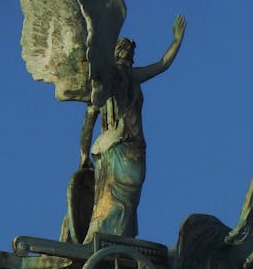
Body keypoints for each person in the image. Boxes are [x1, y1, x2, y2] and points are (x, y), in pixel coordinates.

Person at [76, 16, 186, 241]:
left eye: (130, 54)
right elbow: (89, 119)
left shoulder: (132, 77)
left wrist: (176, 40)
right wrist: (84, 153)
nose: (128, 56)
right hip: (115, 148)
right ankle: (108, 236)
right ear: (115, 54)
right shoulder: (106, 82)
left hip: (133, 149)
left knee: (127, 198)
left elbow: (162, 64)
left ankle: (117, 237)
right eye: (124, 51)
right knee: (115, 197)